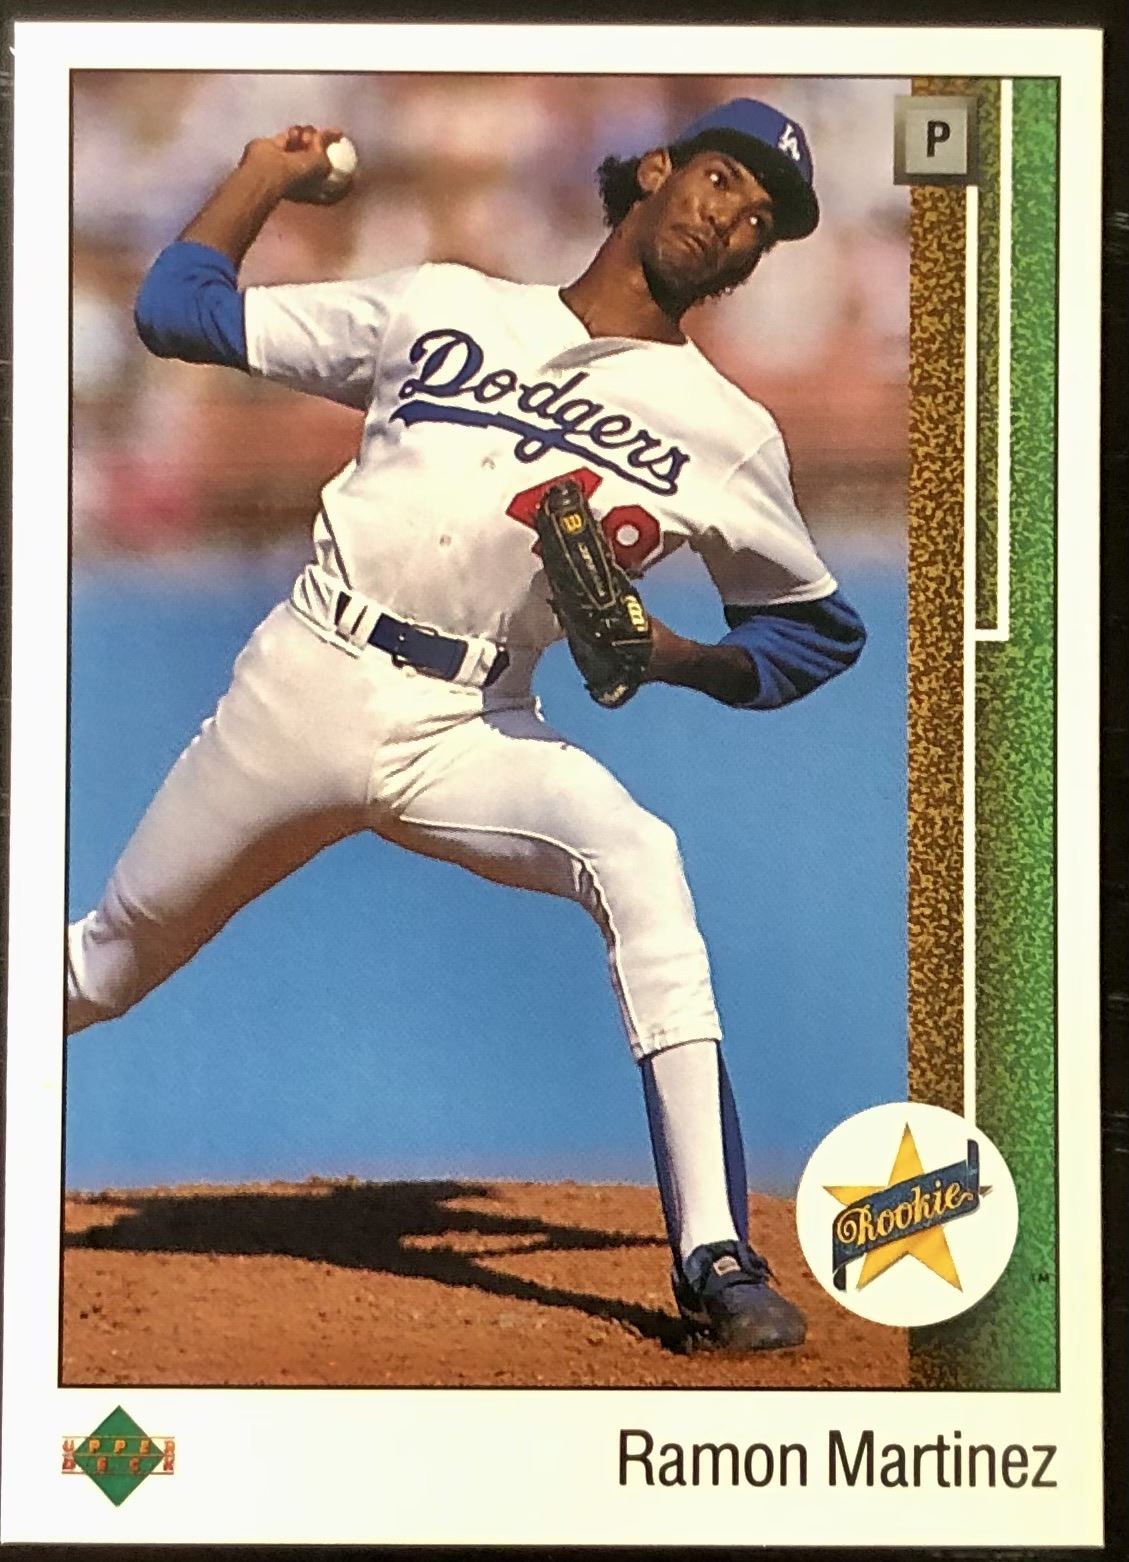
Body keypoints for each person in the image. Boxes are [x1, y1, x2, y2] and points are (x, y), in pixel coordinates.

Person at [67, 98, 866, 1353]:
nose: (735, 221)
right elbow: (181, 310)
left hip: (470, 720)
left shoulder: (727, 431)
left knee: (639, 855)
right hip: (311, 672)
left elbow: (814, 632)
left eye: (763, 221)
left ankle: (715, 1257)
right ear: (655, 171)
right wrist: (262, 174)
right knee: (106, 967)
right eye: (724, 181)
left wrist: (675, 657)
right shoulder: (444, 303)